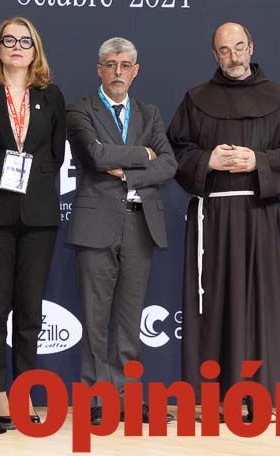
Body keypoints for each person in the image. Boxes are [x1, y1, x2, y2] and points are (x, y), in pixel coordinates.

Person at [166, 22, 280, 418]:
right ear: (215, 55)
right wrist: (207, 159)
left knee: (263, 302)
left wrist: (258, 161)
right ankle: (208, 398)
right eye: (224, 50)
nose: (233, 57)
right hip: (211, 217)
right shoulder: (196, 100)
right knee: (211, 306)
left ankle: (264, 397)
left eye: (238, 47)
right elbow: (173, 152)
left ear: (251, 46)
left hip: (259, 215)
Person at [66, 36, 176, 424]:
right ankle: (97, 398)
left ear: (135, 70)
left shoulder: (150, 113)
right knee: (96, 317)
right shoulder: (80, 109)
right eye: (110, 65)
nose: (117, 72)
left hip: (140, 225)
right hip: (96, 223)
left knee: (129, 317)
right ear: (99, 69)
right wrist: (142, 156)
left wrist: (128, 171)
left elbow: (169, 165)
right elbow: (94, 155)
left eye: (125, 65)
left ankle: (129, 395)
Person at [0, 17, 66, 428]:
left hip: (39, 215)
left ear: (35, 50)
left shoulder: (51, 96)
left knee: (29, 310)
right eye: (8, 40)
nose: (16, 47)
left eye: (25, 41)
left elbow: (55, 155)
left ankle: (25, 393)